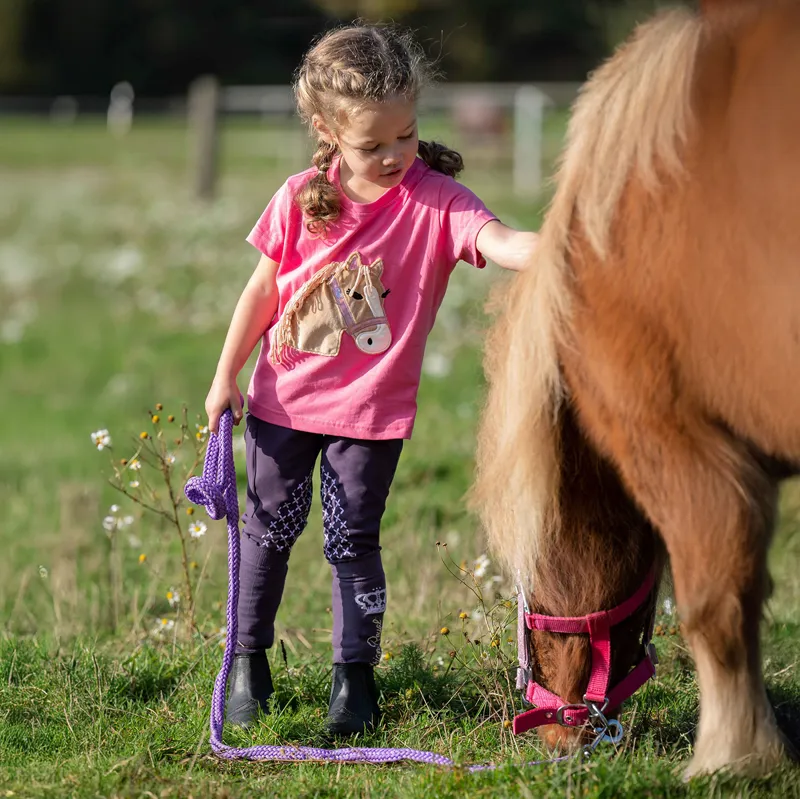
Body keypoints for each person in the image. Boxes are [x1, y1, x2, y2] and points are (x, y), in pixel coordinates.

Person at [204, 22, 538, 736]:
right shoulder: (299, 197)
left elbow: (502, 242)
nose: (393, 156)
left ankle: (354, 680)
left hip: (372, 416)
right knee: (266, 532)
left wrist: (574, 241)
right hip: (282, 404)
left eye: (406, 136)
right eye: (372, 144)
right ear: (325, 128)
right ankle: (247, 662)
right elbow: (261, 292)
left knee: (354, 540)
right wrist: (224, 373)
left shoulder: (437, 200)